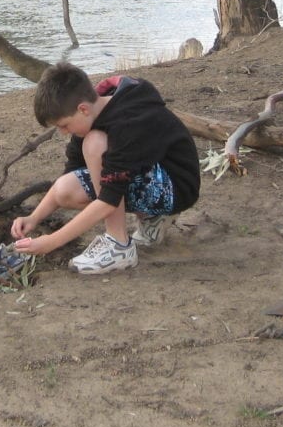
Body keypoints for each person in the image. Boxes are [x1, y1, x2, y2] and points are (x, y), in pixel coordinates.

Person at [11, 62, 201, 274]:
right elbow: (71, 175)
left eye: (64, 125)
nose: (64, 132)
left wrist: (51, 242)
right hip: (151, 176)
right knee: (66, 190)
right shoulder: (92, 117)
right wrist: (34, 218)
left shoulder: (126, 123)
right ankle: (152, 218)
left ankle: (119, 246)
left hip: (177, 187)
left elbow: (109, 200)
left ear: (82, 108)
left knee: (95, 144)